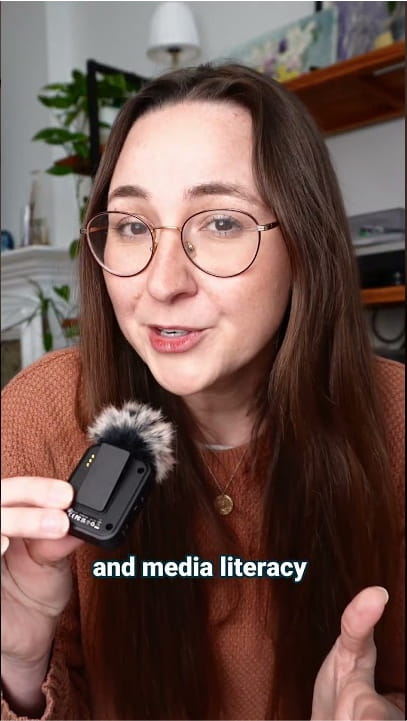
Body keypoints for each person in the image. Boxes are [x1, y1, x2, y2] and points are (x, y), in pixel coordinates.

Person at [1, 63, 404, 721]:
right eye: (132, 225)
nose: (162, 284)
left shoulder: (396, 420)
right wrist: (20, 667)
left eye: (219, 223)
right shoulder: (43, 414)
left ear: (304, 242)